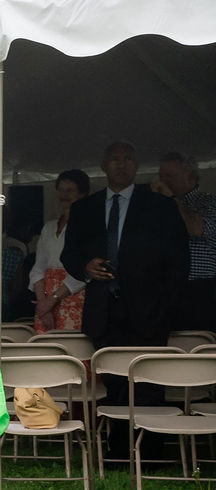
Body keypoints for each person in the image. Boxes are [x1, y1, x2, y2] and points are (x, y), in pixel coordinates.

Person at [59, 142, 189, 349]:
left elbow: (179, 259)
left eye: (127, 159)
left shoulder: (160, 206)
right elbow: (69, 254)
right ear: (103, 165)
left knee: (149, 377)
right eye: (115, 159)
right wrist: (85, 267)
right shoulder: (83, 209)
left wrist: (167, 306)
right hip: (102, 313)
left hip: (151, 313)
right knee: (110, 376)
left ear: (137, 165)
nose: (121, 165)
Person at [155, 152, 216, 332]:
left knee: (199, 347)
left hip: (198, 290)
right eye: (161, 177)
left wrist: (171, 200)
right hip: (161, 289)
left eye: (169, 177)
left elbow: (194, 228)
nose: (162, 181)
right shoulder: (155, 205)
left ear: (190, 178)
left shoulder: (209, 203)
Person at [30, 169, 92, 332]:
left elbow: (85, 271)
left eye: (70, 190)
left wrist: (53, 299)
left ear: (82, 193)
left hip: (74, 296)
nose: (64, 195)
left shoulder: (89, 226)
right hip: (46, 300)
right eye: (61, 190)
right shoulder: (49, 227)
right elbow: (38, 268)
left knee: (73, 351)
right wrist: (43, 302)